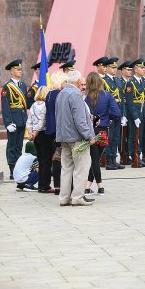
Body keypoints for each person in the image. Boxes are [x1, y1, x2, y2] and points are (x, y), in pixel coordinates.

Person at [55, 70, 97, 206]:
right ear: (78, 81)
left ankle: (64, 198)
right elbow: (80, 120)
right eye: (82, 82)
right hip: (77, 138)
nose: (83, 86)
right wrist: (90, 136)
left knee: (66, 168)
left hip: (63, 137)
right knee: (81, 168)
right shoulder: (75, 95)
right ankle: (78, 197)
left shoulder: (61, 94)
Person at [84, 72, 121, 196]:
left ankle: (98, 186)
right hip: (103, 130)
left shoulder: (86, 97)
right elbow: (117, 113)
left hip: (91, 131)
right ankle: (91, 186)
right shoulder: (107, 95)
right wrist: (106, 117)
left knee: (94, 159)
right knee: (96, 159)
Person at [1, 59, 28, 179]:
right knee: (12, 145)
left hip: (22, 119)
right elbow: (5, 106)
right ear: (12, 71)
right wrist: (8, 123)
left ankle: (18, 168)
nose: (20, 71)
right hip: (13, 121)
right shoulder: (7, 87)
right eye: (18, 69)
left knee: (19, 145)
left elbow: (25, 104)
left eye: (21, 69)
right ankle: (12, 169)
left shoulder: (22, 85)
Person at [27, 86, 55, 193]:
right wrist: (34, 133)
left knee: (41, 160)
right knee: (47, 161)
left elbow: (29, 121)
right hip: (44, 134)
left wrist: (30, 133)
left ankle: (40, 184)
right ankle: (45, 186)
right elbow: (42, 122)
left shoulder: (33, 105)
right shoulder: (45, 105)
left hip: (36, 137)